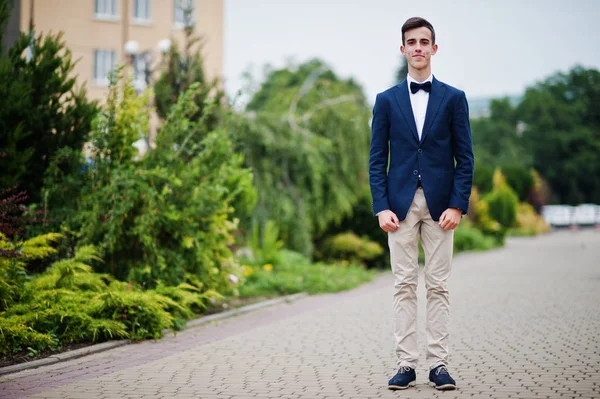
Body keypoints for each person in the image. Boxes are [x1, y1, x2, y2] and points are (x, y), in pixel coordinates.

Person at [369, 16, 474, 391]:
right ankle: (406, 365)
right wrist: (381, 205)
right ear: (403, 49)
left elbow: (466, 157)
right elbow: (376, 159)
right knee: (403, 285)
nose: (417, 47)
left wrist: (458, 205)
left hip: (440, 207)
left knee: (439, 286)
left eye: (423, 41)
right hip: (397, 208)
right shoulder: (385, 101)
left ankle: (439, 365)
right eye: (411, 42)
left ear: (434, 48)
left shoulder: (453, 99)